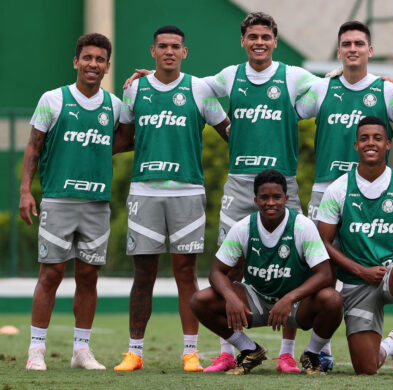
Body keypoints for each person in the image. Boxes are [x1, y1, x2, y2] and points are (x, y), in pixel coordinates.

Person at [123, 12, 317, 372]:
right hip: (240, 183)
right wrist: (153, 77)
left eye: (266, 37)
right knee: (228, 270)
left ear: (274, 41)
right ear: (242, 41)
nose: (259, 42)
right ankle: (232, 350)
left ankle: (287, 354)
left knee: (296, 266)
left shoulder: (293, 76)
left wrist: (378, 78)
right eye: (252, 37)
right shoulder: (228, 76)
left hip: (283, 181)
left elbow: (333, 85)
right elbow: (186, 84)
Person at [112, 26, 230, 372]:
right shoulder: (135, 90)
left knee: (185, 274)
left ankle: (190, 352)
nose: (168, 51)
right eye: (162, 46)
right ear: (152, 51)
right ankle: (134, 352)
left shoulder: (199, 89)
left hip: (188, 191)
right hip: (144, 191)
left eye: (174, 46)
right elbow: (123, 138)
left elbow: (230, 133)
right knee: (143, 274)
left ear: (184, 52)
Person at [20, 33, 121, 371]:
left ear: (107, 67)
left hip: (96, 203)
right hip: (58, 200)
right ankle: (36, 349)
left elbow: (125, 139)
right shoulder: (53, 99)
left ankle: (81, 350)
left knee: (89, 277)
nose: (93, 64)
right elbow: (34, 147)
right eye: (87, 58)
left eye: (100, 59)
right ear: (76, 61)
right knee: (51, 274)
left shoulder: (115, 105)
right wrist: (25, 191)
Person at [191, 169, 343, 376]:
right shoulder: (243, 227)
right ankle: (249, 350)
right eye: (264, 197)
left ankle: (312, 354)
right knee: (201, 300)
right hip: (257, 300)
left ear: (286, 199)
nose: (270, 202)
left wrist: (290, 297)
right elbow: (217, 271)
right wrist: (230, 297)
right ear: (255, 200)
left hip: (296, 304)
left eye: (276, 197)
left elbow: (325, 274)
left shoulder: (302, 225)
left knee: (333, 299)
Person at [317, 116, 393, 379]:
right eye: (365, 138)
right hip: (357, 283)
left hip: (392, 274)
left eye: (378, 138)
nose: (371, 143)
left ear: (388, 145)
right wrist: (360, 271)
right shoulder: (338, 189)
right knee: (366, 368)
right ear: (356, 145)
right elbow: (323, 242)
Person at [297, 21, 393, 226]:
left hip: (370, 192)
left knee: (366, 258)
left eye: (359, 44)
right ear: (339, 52)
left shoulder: (386, 90)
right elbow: (284, 117)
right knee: (318, 257)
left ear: (369, 51)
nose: (352, 49)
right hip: (325, 190)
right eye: (347, 44)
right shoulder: (321, 88)